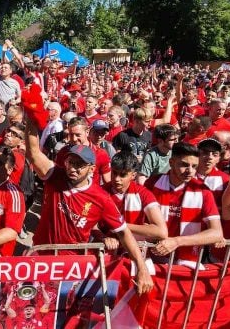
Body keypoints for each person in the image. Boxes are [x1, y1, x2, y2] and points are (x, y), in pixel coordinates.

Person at [25, 121, 153, 294]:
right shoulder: (56, 177)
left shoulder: (101, 198)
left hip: (71, 267)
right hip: (40, 258)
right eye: (70, 162)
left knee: (62, 311)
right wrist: (32, 116)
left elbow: (123, 232)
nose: (73, 169)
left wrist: (142, 268)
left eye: (80, 165)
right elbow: (33, 153)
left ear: (92, 169)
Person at [145, 143, 223, 265]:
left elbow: (217, 233)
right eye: (184, 165)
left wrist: (176, 241)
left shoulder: (203, 190)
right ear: (171, 163)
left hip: (188, 263)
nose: (190, 171)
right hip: (153, 259)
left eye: (194, 166)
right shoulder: (152, 184)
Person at [104, 151, 168, 246]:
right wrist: (102, 237)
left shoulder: (144, 194)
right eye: (114, 173)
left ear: (133, 175)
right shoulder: (100, 191)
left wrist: (121, 226)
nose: (117, 179)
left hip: (136, 251)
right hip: (107, 252)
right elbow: (92, 225)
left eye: (122, 175)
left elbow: (162, 232)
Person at [196, 138, 229, 206]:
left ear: (219, 159)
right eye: (205, 153)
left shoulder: (225, 179)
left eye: (215, 154)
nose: (210, 157)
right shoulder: (186, 175)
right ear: (197, 155)